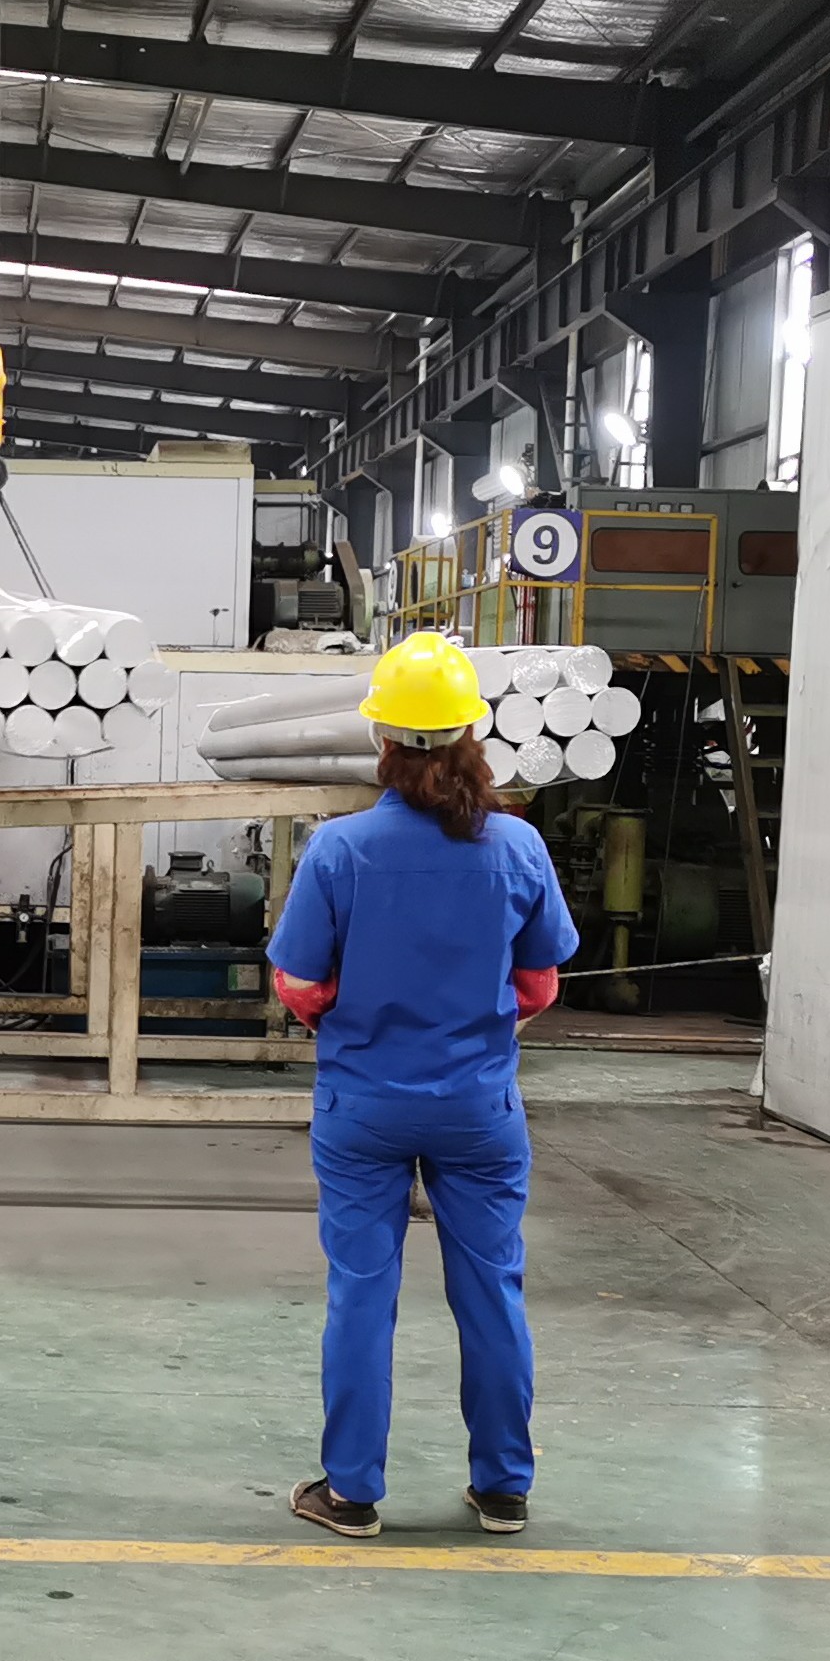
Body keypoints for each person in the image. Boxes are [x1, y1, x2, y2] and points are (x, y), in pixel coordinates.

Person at [267, 633, 579, 1540]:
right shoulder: (518, 846)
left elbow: (300, 983)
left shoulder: (340, 849)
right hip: (479, 1107)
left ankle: (352, 1491)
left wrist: (352, 1020)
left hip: (364, 1102)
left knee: (362, 1293)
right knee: (492, 1289)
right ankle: (503, 1486)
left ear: (383, 741)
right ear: (473, 735)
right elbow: (540, 984)